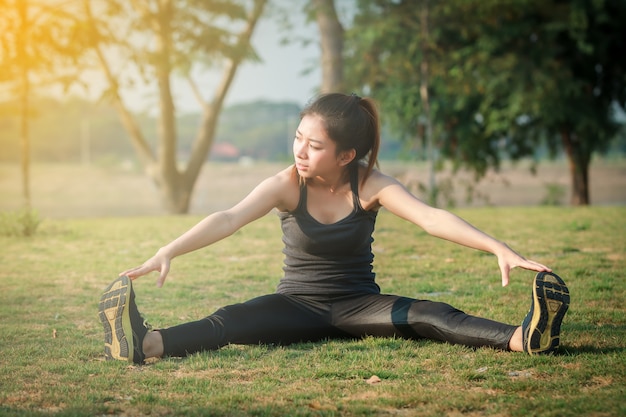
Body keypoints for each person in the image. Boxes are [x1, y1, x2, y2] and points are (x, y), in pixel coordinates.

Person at [98, 93, 570, 365]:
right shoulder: (286, 183)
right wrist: (169, 250)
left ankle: (523, 336)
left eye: (314, 145)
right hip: (293, 304)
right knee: (230, 320)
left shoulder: (370, 184)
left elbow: (431, 218)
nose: (300, 151)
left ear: (346, 155)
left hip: (359, 305)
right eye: (298, 138)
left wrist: (498, 248)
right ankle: (145, 342)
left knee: (430, 314)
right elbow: (229, 217)